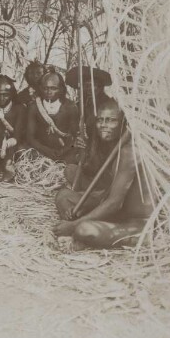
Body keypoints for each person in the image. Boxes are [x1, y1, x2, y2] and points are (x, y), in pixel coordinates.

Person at [53, 98, 152, 249]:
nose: (104, 125)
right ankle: (85, 226)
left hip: (134, 221)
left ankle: (136, 239)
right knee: (63, 196)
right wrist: (85, 152)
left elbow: (114, 203)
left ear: (123, 123)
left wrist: (73, 225)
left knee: (84, 230)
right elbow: (104, 186)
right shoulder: (112, 144)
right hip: (116, 211)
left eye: (111, 120)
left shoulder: (130, 151)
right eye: (100, 120)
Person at [26, 71, 79, 162]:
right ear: (40, 88)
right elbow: (30, 137)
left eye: (53, 88)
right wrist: (47, 151)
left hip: (64, 151)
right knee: (22, 150)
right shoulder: (34, 107)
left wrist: (62, 151)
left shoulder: (70, 106)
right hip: (40, 151)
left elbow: (74, 135)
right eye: (45, 88)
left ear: (61, 89)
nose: (49, 92)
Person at [65, 65, 111, 140]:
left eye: (93, 85)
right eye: (86, 85)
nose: (89, 88)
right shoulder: (79, 105)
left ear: (100, 87)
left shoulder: (108, 104)